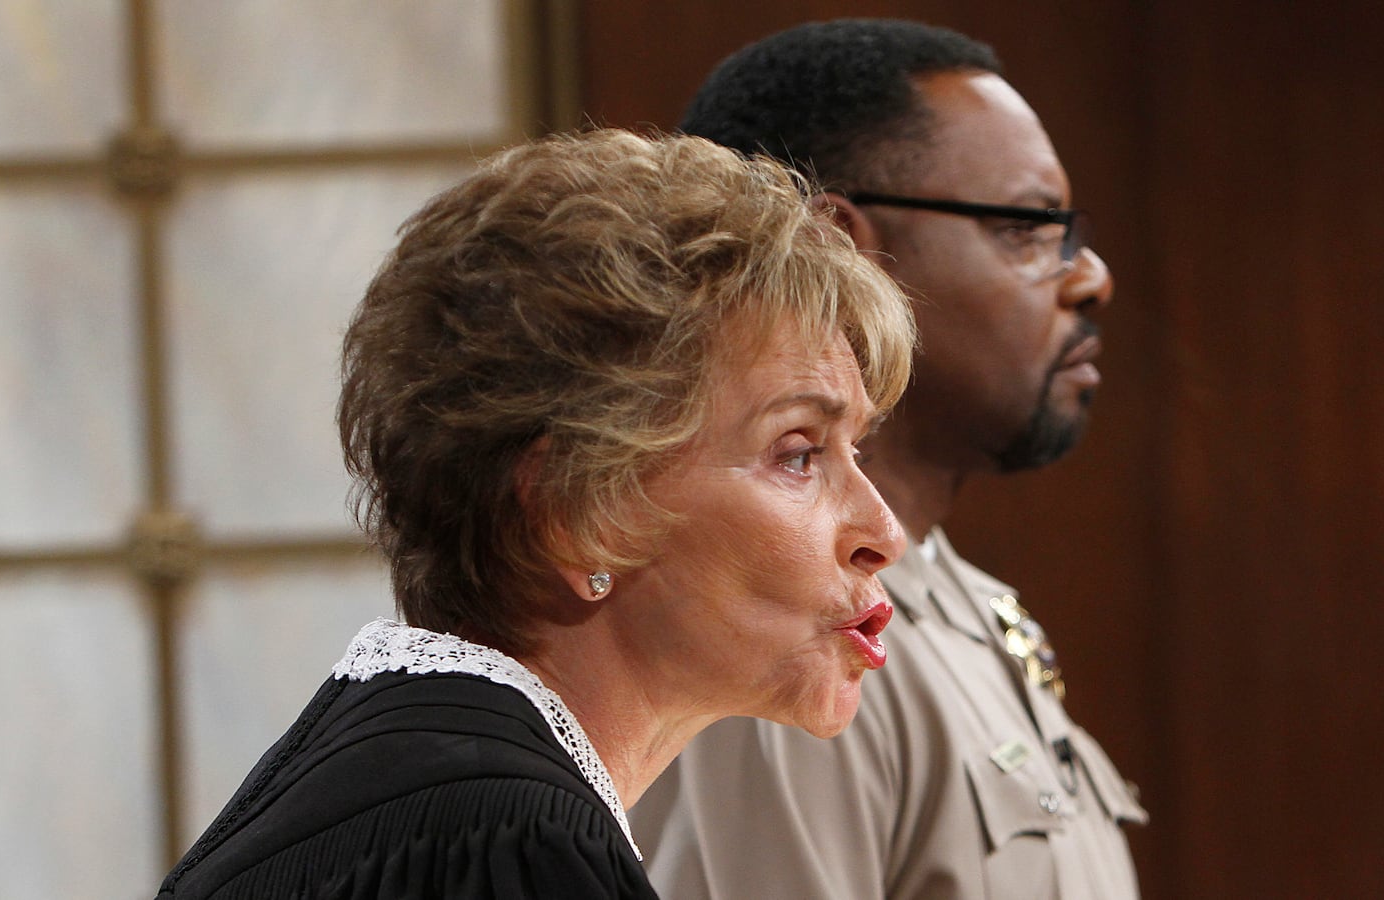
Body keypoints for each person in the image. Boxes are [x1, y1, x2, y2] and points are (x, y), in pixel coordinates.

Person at [155, 128, 915, 899]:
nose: (883, 533)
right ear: (580, 507)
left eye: (858, 450)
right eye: (797, 452)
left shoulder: (406, 773)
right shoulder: (517, 846)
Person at [630, 19, 1147, 900]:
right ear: (839, 247)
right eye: (1027, 226)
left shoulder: (961, 602)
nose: (1089, 273)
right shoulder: (776, 639)